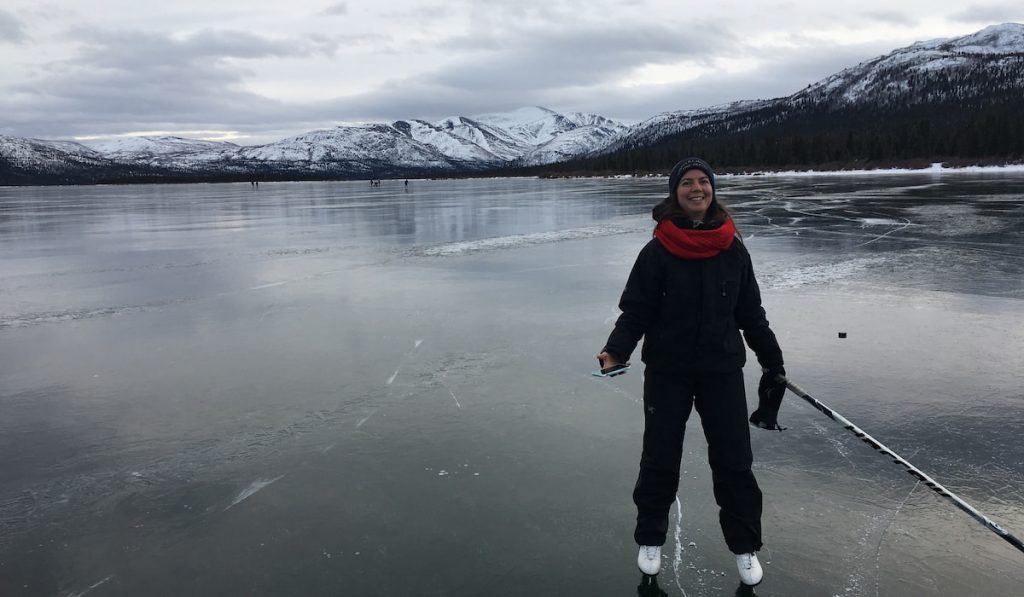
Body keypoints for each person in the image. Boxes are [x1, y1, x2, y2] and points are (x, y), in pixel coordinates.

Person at [596, 157, 788, 587]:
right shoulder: (658, 250)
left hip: (721, 371)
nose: (697, 189)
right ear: (674, 193)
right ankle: (650, 539)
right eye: (687, 183)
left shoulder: (733, 248)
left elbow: (750, 313)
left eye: (703, 182)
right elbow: (637, 311)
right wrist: (616, 350)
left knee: (734, 461)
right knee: (660, 458)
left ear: (713, 190)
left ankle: (744, 546)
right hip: (668, 372)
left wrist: (772, 360)